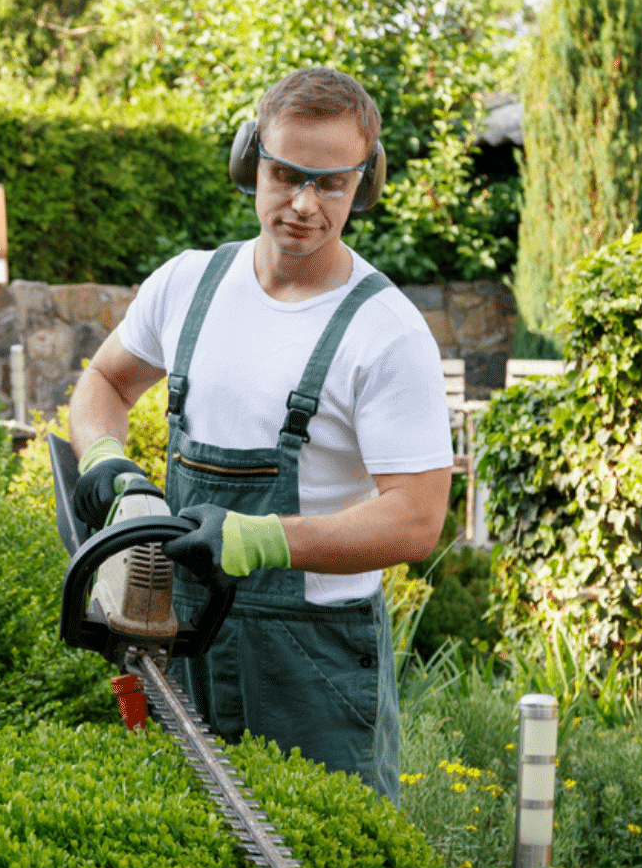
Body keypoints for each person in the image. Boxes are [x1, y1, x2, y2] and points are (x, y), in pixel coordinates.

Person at [66, 67, 453, 803]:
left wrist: (261, 540)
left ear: (363, 185)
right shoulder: (188, 285)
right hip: (177, 637)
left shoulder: (385, 330)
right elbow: (105, 384)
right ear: (252, 162)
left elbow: (416, 518)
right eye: (285, 175)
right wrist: (108, 463)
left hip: (312, 663)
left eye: (331, 184)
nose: (304, 204)